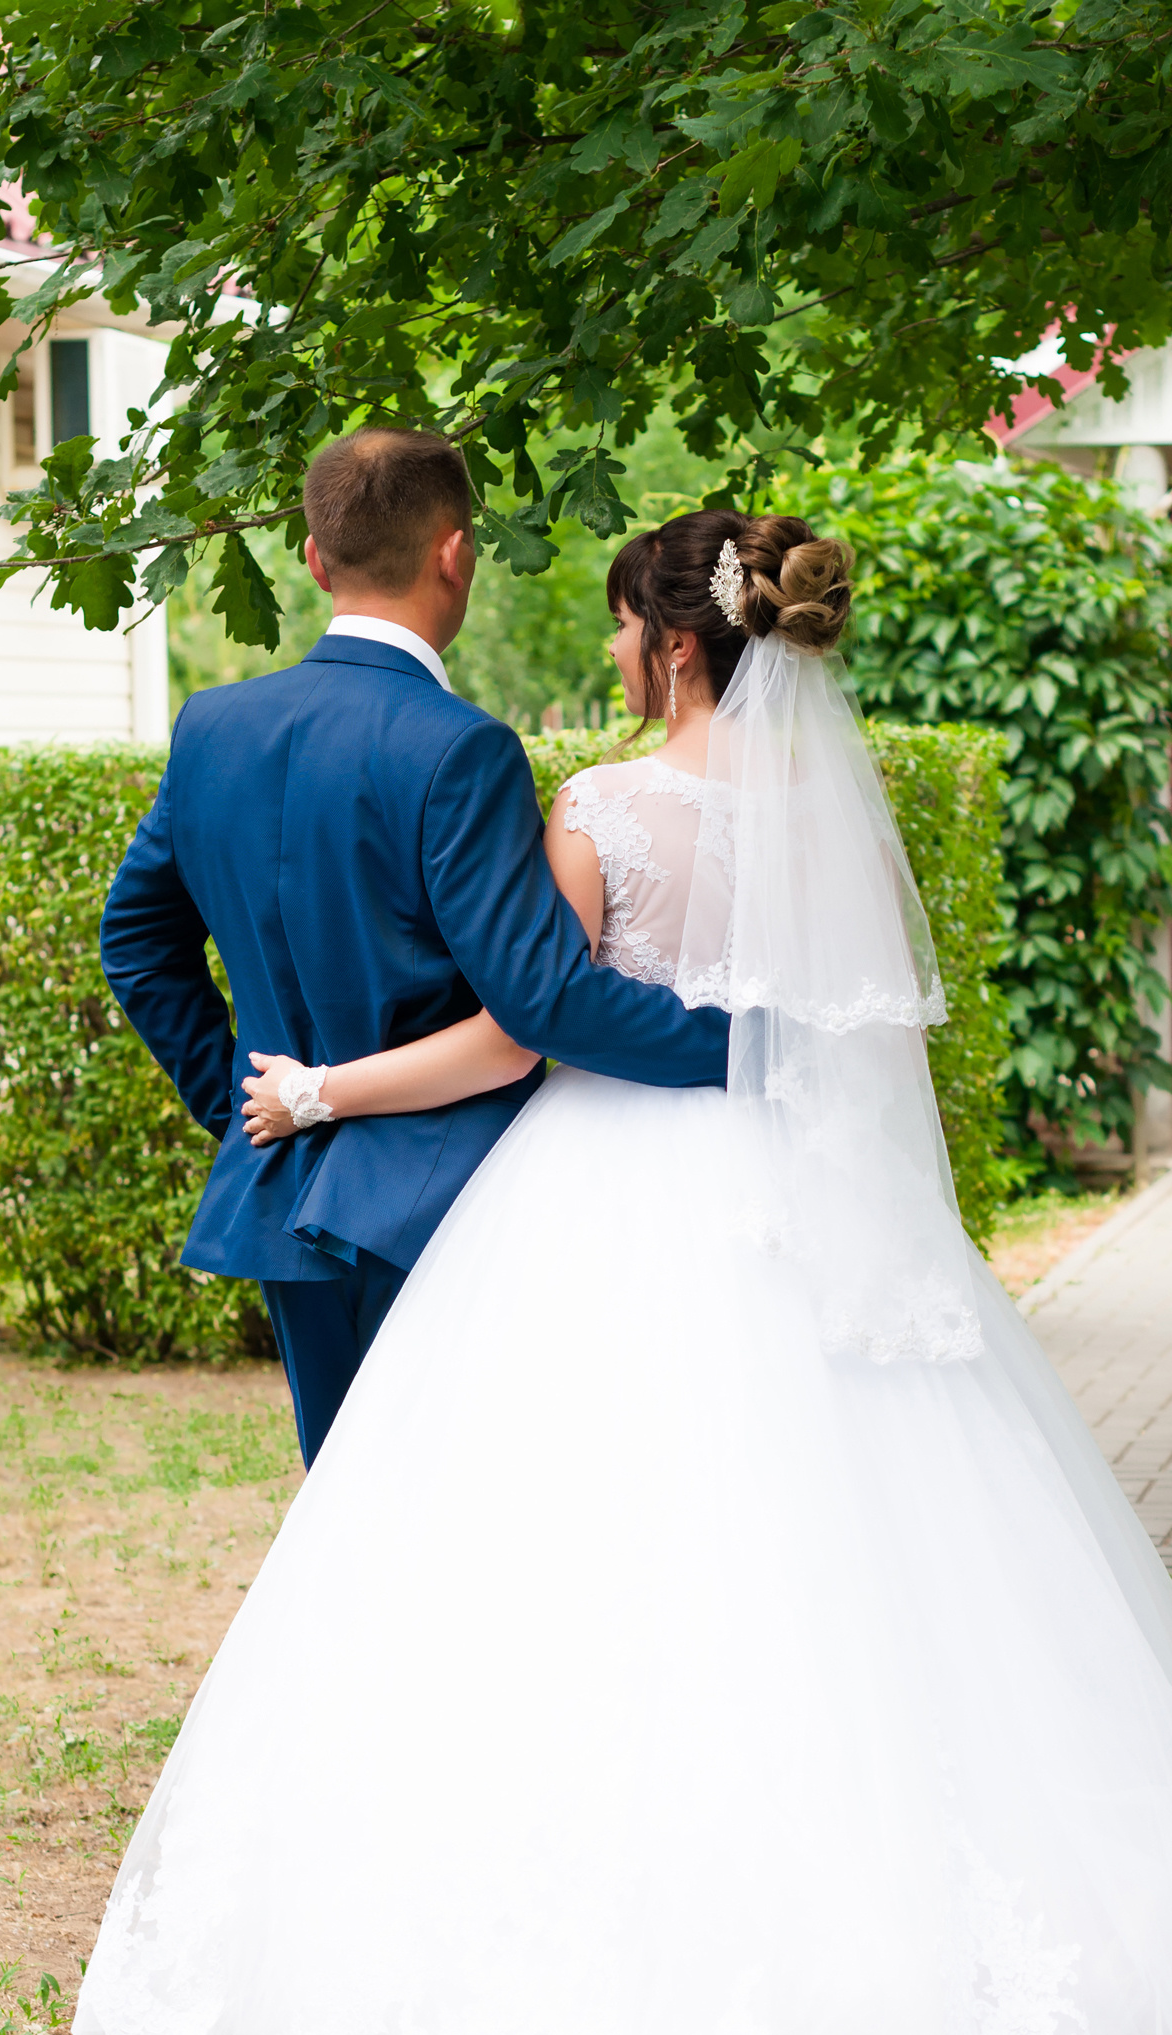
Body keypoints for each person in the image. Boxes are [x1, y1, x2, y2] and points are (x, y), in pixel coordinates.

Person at [75, 509, 1172, 2035]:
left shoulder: (605, 813)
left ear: (663, 645)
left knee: (584, 1589)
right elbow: (831, 1043)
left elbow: (518, 1030)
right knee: (857, 1582)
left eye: (632, 637)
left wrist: (318, 1083)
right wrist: (759, 1059)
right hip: (812, 1209)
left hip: (606, 1208)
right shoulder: (836, 829)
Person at [98, 430, 728, 1467]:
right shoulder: (458, 747)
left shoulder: (213, 725)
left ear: (312, 557)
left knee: (346, 1517)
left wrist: (254, 1101)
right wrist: (740, 1041)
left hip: (282, 1191)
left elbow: (136, 943)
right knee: (457, 1507)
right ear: (456, 553)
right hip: (451, 1195)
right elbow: (543, 998)